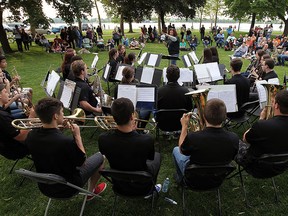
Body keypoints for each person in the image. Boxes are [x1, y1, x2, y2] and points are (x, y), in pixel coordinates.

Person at [25, 97, 106, 200]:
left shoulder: (31, 136)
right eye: (62, 112)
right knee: (101, 156)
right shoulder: (64, 142)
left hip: (46, 186)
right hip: (69, 186)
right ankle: (91, 192)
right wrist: (77, 136)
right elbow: (82, 162)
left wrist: (57, 131)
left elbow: (49, 145)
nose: (64, 114)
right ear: (55, 116)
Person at [98, 97, 161, 195]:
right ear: (132, 117)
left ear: (113, 117)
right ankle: (152, 187)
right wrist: (136, 132)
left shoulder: (102, 138)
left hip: (119, 185)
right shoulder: (147, 140)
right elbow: (150, 157)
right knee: (157, 156)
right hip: (143, 186)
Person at [172, 98, 239, 182]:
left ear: (203, 116)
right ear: (225, 116)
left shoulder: (193, 137)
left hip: (193, 180)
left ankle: (180, 178)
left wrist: (184, 126)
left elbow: (182, 150)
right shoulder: (234, 138)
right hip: (217, 179)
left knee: (175, 150)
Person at [237, 90, 288, 177]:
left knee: (233, 139)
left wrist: (261, 119)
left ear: (276, 105)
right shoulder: (265, 126)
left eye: (273, 102)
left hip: (256, 168)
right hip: (281, 167)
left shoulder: (262, 125)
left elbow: (245, 139)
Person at [0, 83, 35, 160]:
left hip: (10, 145)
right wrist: (31, 117)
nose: (8, 94)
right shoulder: (2, 117)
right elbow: (21, 137)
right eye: (5, 92)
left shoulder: (2, 112)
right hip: (17, 148)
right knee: (47, 130)